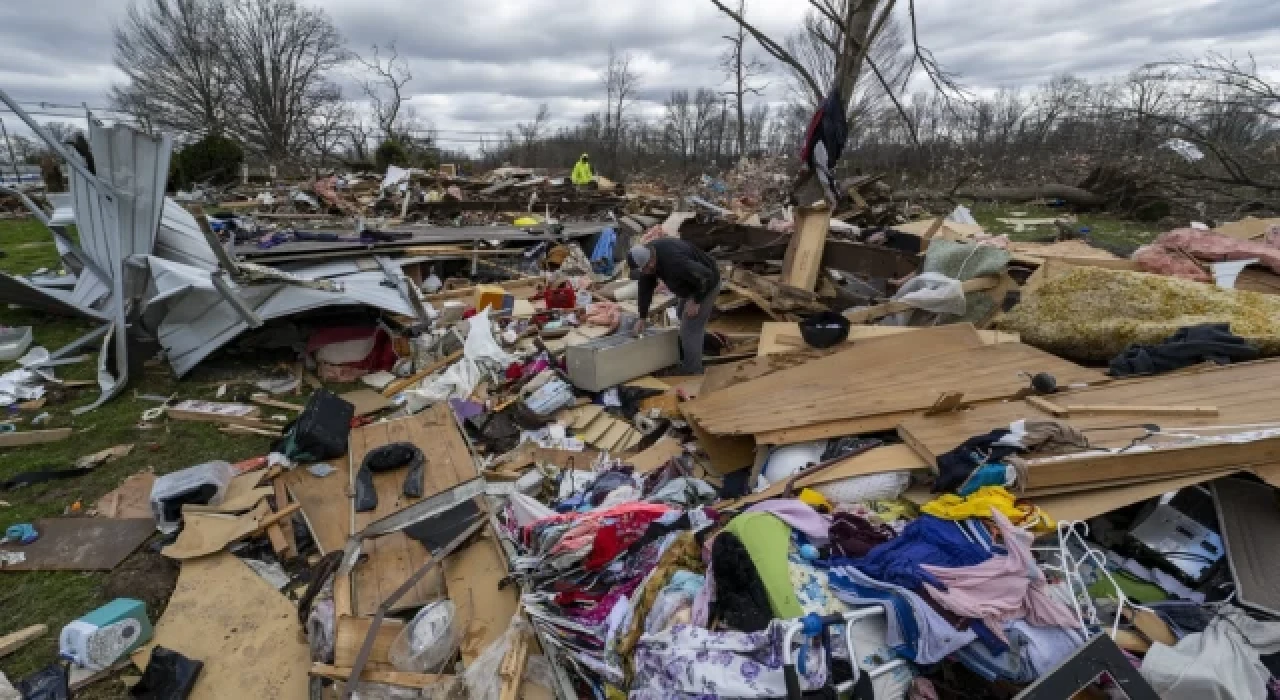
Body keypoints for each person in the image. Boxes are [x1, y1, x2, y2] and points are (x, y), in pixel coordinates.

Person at [627, 240, 721, 375]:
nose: (644, 273)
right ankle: (699, 345)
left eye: (645, 269)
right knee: (680, 314)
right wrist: (642, 317)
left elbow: (707, 276)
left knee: (689, 329)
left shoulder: (676, 262)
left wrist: (696, 301)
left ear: (651, 262)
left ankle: (692, 370)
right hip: (689, 285)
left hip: (706, 285)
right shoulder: (648, 259)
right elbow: (645, 289)